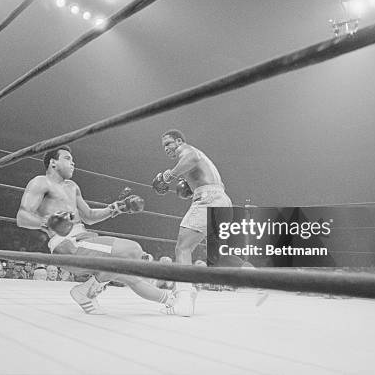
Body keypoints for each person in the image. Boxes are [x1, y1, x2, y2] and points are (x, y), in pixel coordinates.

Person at [16, 145, 177, 314]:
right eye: (67, 158)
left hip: (84, 240)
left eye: (72, 160)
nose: (73, 163)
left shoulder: (72, 187)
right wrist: (48, 222)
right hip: (67, 244)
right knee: (132, 250)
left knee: (132, 278)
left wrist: (116, 208)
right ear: (53, 163)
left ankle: (171, 301)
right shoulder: (40, 182)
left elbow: (89, 216)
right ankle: (85, 292)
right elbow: (22, 217)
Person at [152, 129, 240, 316]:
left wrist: (168, 175)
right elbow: (198, 171)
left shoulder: (187, 150)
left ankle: (184, 301)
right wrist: (189, 187)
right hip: (222, 199)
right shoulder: (197, 158)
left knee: (182, 248)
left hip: (209, 198)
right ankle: (256, 276)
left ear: (179, 141)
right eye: (163, 146)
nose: (166, 149)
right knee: (217, 255)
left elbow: (192, 158)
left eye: (168, 143)